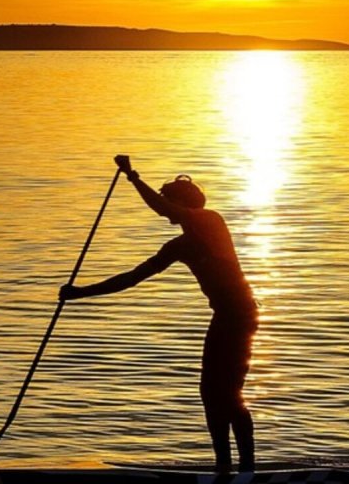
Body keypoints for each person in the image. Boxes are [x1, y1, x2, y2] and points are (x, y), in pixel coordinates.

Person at [60, 155, 258, 473]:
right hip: (223, 316)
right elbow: (132, 277)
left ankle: (247, 470)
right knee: (210, 393)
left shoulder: (211, 221)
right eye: (165, 199)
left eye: (169, 199)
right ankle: (223, 467)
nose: (165, 206)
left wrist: (132, 176)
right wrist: (80, 293)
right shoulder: (178, 247)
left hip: (242, 315)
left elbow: (164, 208)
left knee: (228, 392)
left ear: (183, 202)